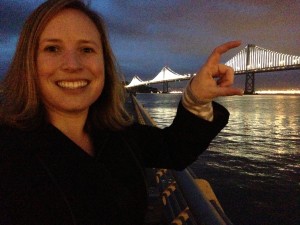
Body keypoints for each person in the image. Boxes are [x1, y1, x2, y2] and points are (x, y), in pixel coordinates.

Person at [0, 0, 243, 224]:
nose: (73, 65)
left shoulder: (121, 134)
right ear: (29, 63)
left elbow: (175, 150)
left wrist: (197, 97)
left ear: (104, 64)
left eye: (87, 50)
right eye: (52, 48)